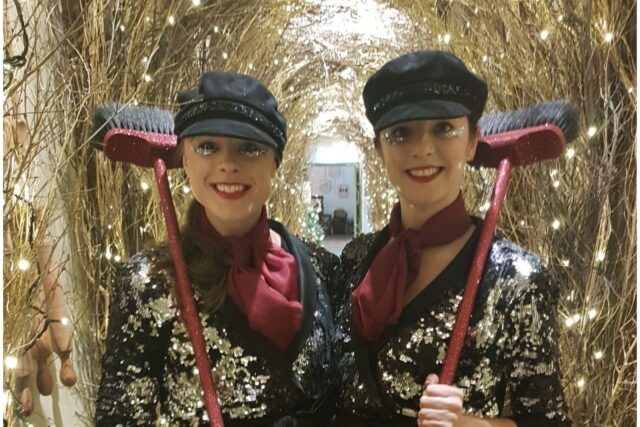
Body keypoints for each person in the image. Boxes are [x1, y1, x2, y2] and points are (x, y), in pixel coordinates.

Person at [330, 50, 571, 426]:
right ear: (380, 149)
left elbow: (548, 422)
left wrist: (472, 424)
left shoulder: (516, 278)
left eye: (443, 128)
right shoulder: (357, 258)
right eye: (400, 133)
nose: (422, 148)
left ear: (473, 141)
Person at [95, 72, 337, 426]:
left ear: (275, 163)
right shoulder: (149, 283)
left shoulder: (321, 268)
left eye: (249, 147)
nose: (228, 163)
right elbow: (120, 418)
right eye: (208, 146)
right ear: (185, 159)